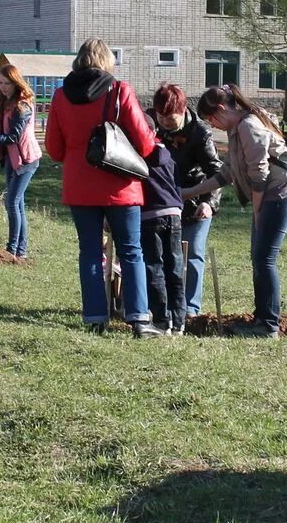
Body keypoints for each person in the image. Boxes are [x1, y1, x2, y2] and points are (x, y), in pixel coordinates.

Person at [43, 38, 160, 336]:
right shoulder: (120, 91)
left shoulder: (60, 96)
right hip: (120, 184)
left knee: (90, 252)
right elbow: (146, 145)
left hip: (80, 186)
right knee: (131, 251)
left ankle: (95, 317)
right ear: (107, 62)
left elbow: (55, 150)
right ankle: (138, 319)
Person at [180, 86, 287, 338]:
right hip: (269, 194)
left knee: (264, 258)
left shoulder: (248, 126)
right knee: (258, 256)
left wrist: (257, 212)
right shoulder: (236, 129)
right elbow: (228, 173)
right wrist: (188, 193)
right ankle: (262, 317)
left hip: (280, 193)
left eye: (212, 119)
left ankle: (268, 325)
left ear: (221, 109)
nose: (212, 125)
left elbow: (259, 176)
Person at [148, 84, 222, 319]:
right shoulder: (148, 122)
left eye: (171, 119)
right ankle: (161, 306)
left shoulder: (200, 132)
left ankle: (190, 309)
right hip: (158, 202)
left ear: (183, 110)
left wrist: (209, 202)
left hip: (193, 201)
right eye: (161, 117)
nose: (165, 123)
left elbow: (216, 171)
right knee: (159, 255)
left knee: (193, 253)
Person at [0, 64, 41, 261]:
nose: (3, 87)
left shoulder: (22, 106)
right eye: (0, 83)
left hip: (26, 160)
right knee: (18, 204)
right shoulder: (4, 102)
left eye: (7, 83)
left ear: (16, 82)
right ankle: (19, 250)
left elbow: (13, 137)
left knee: (12, 202)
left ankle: (13, 249)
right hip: (11, 158)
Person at [139, 138, 187, 334]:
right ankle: (179, 321)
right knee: (175, 267)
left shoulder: (138, 155)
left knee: (154, 266)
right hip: (174, 213)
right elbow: (177, 183)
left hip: (150, 215)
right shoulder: (168, 156)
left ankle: (161, 319)